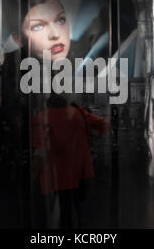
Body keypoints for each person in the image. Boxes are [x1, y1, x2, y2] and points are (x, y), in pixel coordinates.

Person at [31, 94, 109, 229]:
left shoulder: (42, 117)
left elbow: (40, 149)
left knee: (59, 213)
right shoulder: (79, 113)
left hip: (55, 175)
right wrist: (89, 137)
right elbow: (103, 125)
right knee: (79, 210)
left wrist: (34, 174)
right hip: (80, 172)